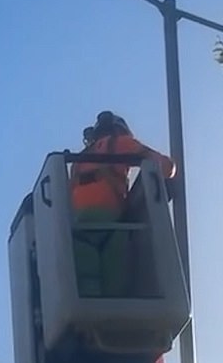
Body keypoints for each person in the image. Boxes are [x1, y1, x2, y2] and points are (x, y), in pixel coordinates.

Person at [70, 112, 176, 297]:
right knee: (117, 295)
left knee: (87, 290)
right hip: (113, 224)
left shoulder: (78, 162)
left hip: (81, 227)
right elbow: (166, 167)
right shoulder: (121, 143)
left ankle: (91, 322)